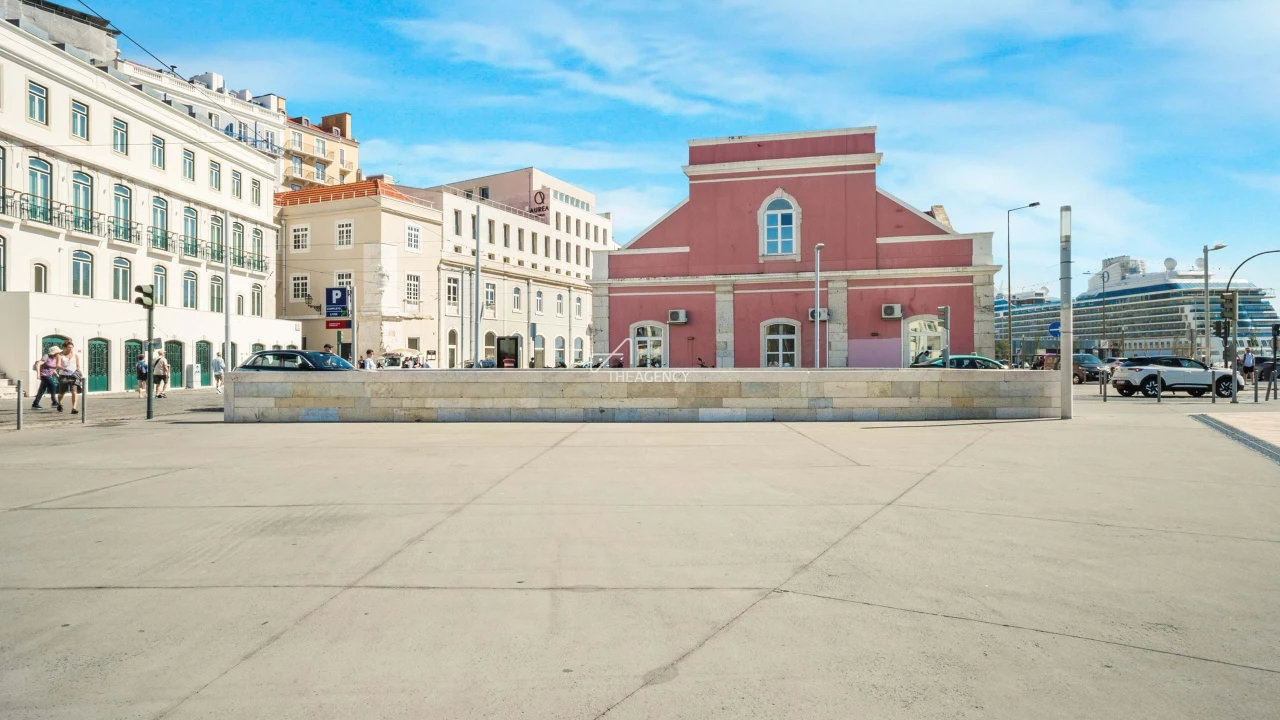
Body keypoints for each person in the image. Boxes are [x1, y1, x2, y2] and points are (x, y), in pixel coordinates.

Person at [31, 345, 62, 410]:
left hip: (49, 376)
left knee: (42, 390)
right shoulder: (46, 356)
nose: (59, 354)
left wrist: (56, 375)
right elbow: (38, 364)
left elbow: (52, 368)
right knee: (53, 386)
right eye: (58, 352)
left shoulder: (54, 359)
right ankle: (54, 402)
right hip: (43, 375)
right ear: (55, 353)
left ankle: (35, 403)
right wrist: (38, 374)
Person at [56, 341, 82, 414]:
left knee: (74, 391)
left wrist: (77, 370)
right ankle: (60, 403)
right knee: (61, 393)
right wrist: (63, 368)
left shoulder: (75, 356)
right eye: (69, 347)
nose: (70, 349)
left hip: (73, 376)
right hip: (64, 376)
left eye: (71, 347)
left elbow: (77, 365)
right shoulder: (60, 355)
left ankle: (74, 408)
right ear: (64, 347)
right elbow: (57, 365)